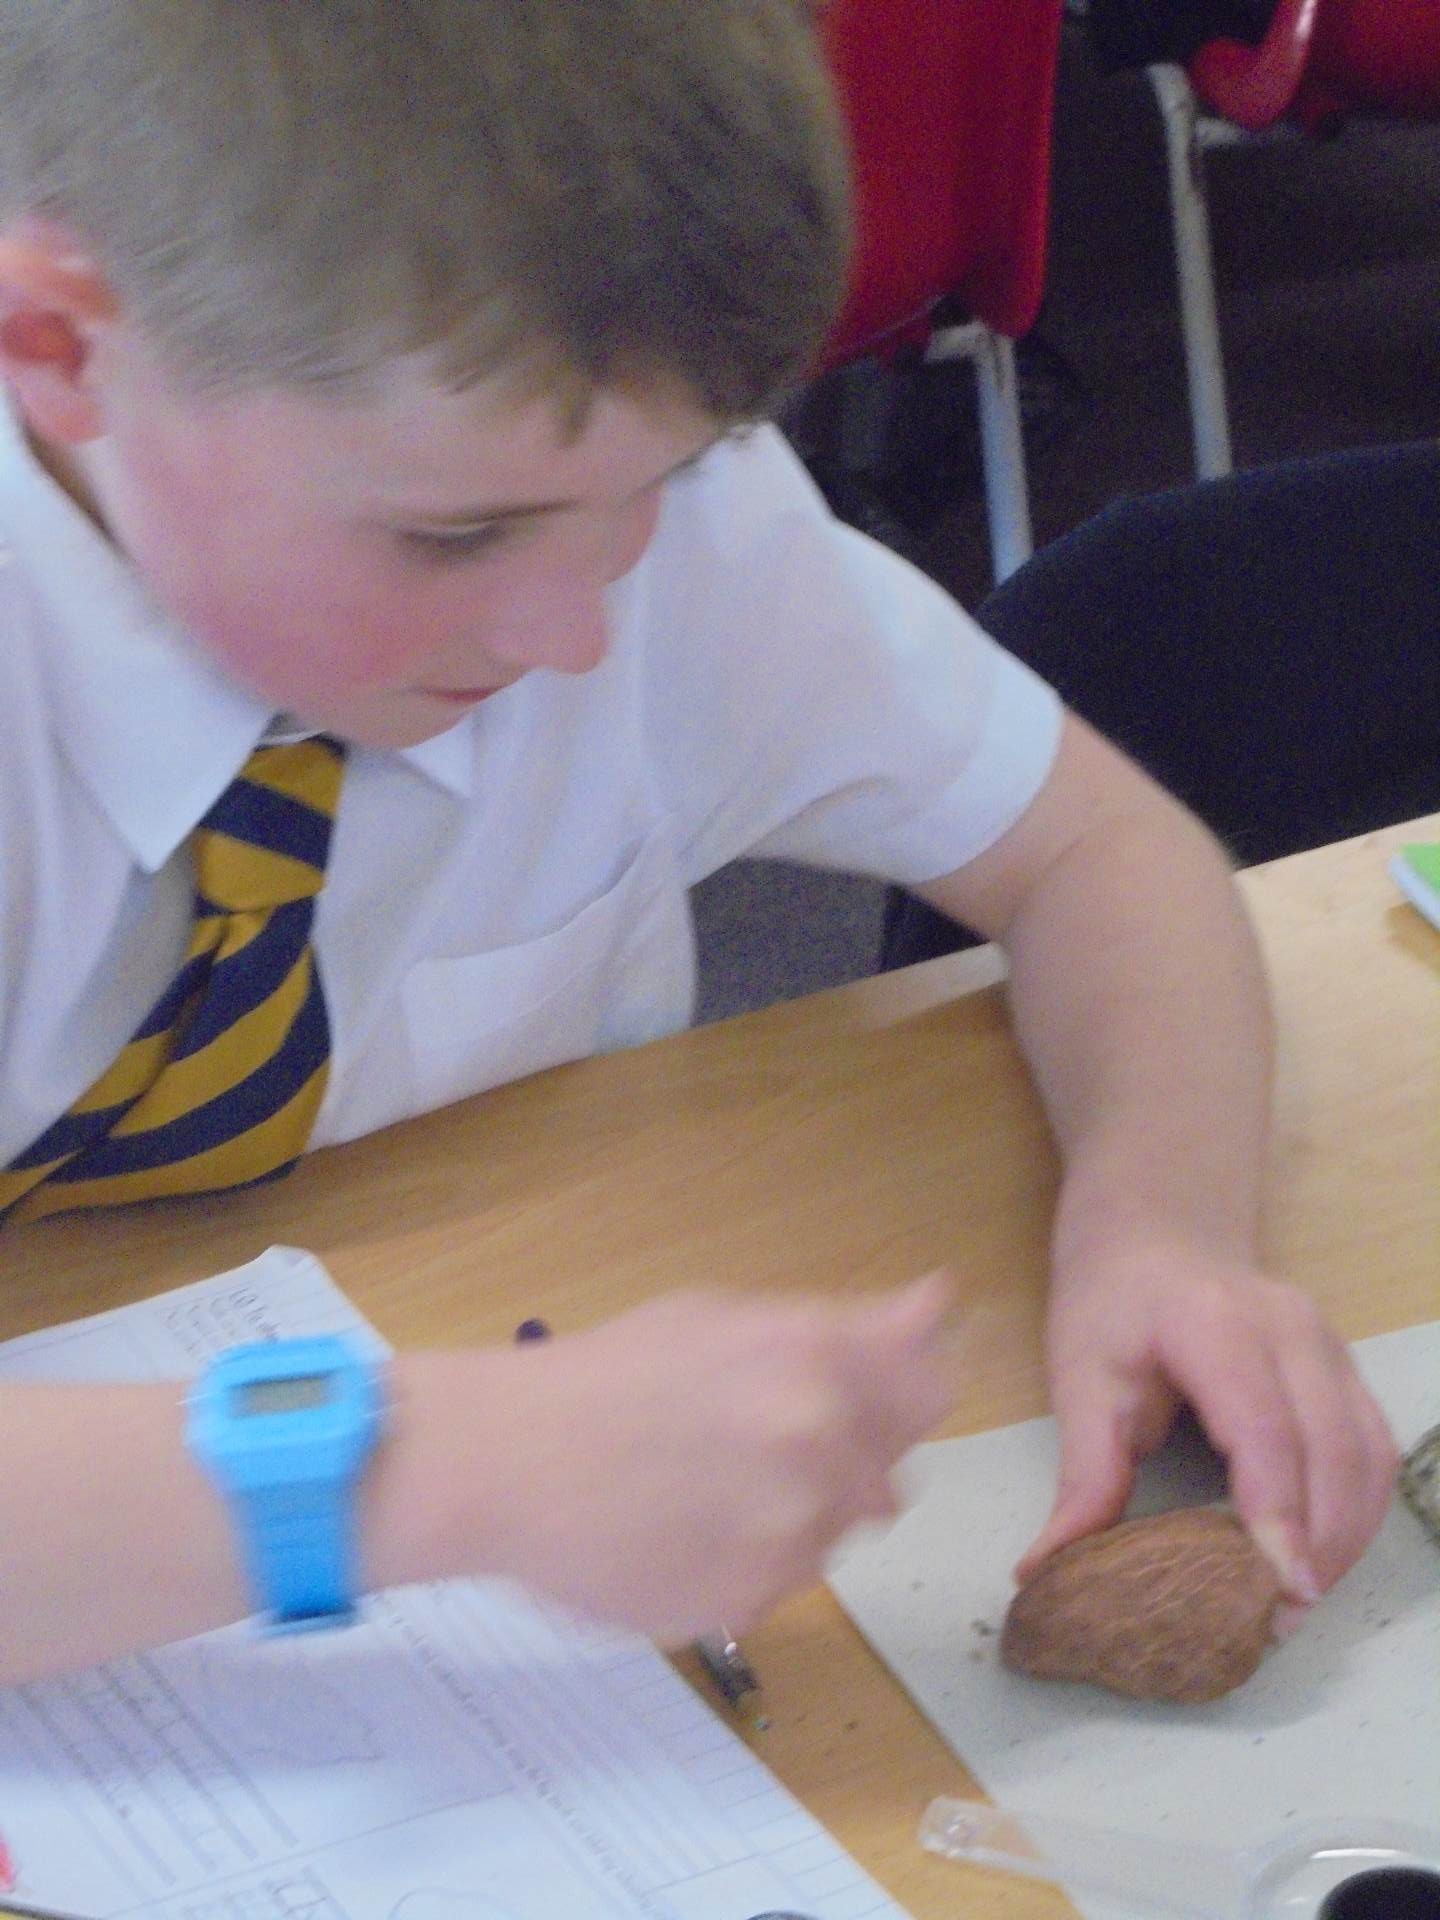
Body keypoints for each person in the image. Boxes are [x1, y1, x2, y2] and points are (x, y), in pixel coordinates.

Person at [0, 0, 1395, 1688]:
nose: (577, 629)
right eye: (457, 534)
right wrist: (441, 1474)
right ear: (61, 345)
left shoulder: (605, 493)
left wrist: (1163, 1224)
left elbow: (1100, 851)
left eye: (667, 479)